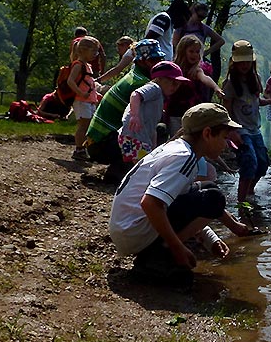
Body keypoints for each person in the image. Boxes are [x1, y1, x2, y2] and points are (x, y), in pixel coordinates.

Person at [108, 103, 262, 285]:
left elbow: (185, 202)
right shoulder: (184, 158)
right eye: (224, 137)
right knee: (214, 198)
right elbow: (150, 203)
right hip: (133, 232)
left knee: (209, 189)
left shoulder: (178, 149)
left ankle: (160, 250)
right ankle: (158, 256)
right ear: (207, 134)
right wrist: (178, 248)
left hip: (125, 228)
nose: (226, 145)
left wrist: (212, 238)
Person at [86, 39, 166, 182]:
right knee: (160, 130)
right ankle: (119, 172)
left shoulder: (133, 75)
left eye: (160, 59)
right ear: (141, 61)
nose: (158, 63)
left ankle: (122, 168)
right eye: (153, 60)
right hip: (101, 144)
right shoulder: (141, 83)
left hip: (96, 141)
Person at [222, 40, 271, 204]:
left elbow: (257, 102)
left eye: (247, 61)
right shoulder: (230, 84)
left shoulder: (255, 79)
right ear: (234, 62)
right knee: (249, 161)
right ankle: (241, 202)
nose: (244, 65)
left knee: (263, 163)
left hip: (255, 129)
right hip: (240, 130)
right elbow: (227, 110)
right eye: (240, 61)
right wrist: (231, 132)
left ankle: (250, 190)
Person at [118, 61, 189, 165]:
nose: (175, 87)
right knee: (143, 167)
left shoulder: (160, 97)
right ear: (159, 79)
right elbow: (135, 95)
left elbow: (153, 127)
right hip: (134, 135)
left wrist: (153, 148)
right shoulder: (154, 88)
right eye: (172, 82)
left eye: (178, 84)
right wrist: (134, 115)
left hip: (140, 137)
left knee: (144, 163)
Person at [166, 35, 225, 136]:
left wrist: (216, 88)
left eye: (197, 52)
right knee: (176, 138)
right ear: (183, 51)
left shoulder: (196, 70)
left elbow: (205, 78)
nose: (195, 55)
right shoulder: (174, 68)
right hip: (175, 112)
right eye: (191, 51)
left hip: (192, 114)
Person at [68, 36, 102, 161]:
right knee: (83, 125)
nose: (96, 55)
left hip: (89, 101)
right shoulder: (78, 65)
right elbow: (70, 81)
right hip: (81, 101)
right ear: (83, 50)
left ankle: (84, 148)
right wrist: (80, 93)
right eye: (94, 52)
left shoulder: (87, 65)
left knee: (87, 126)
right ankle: (79, 149)